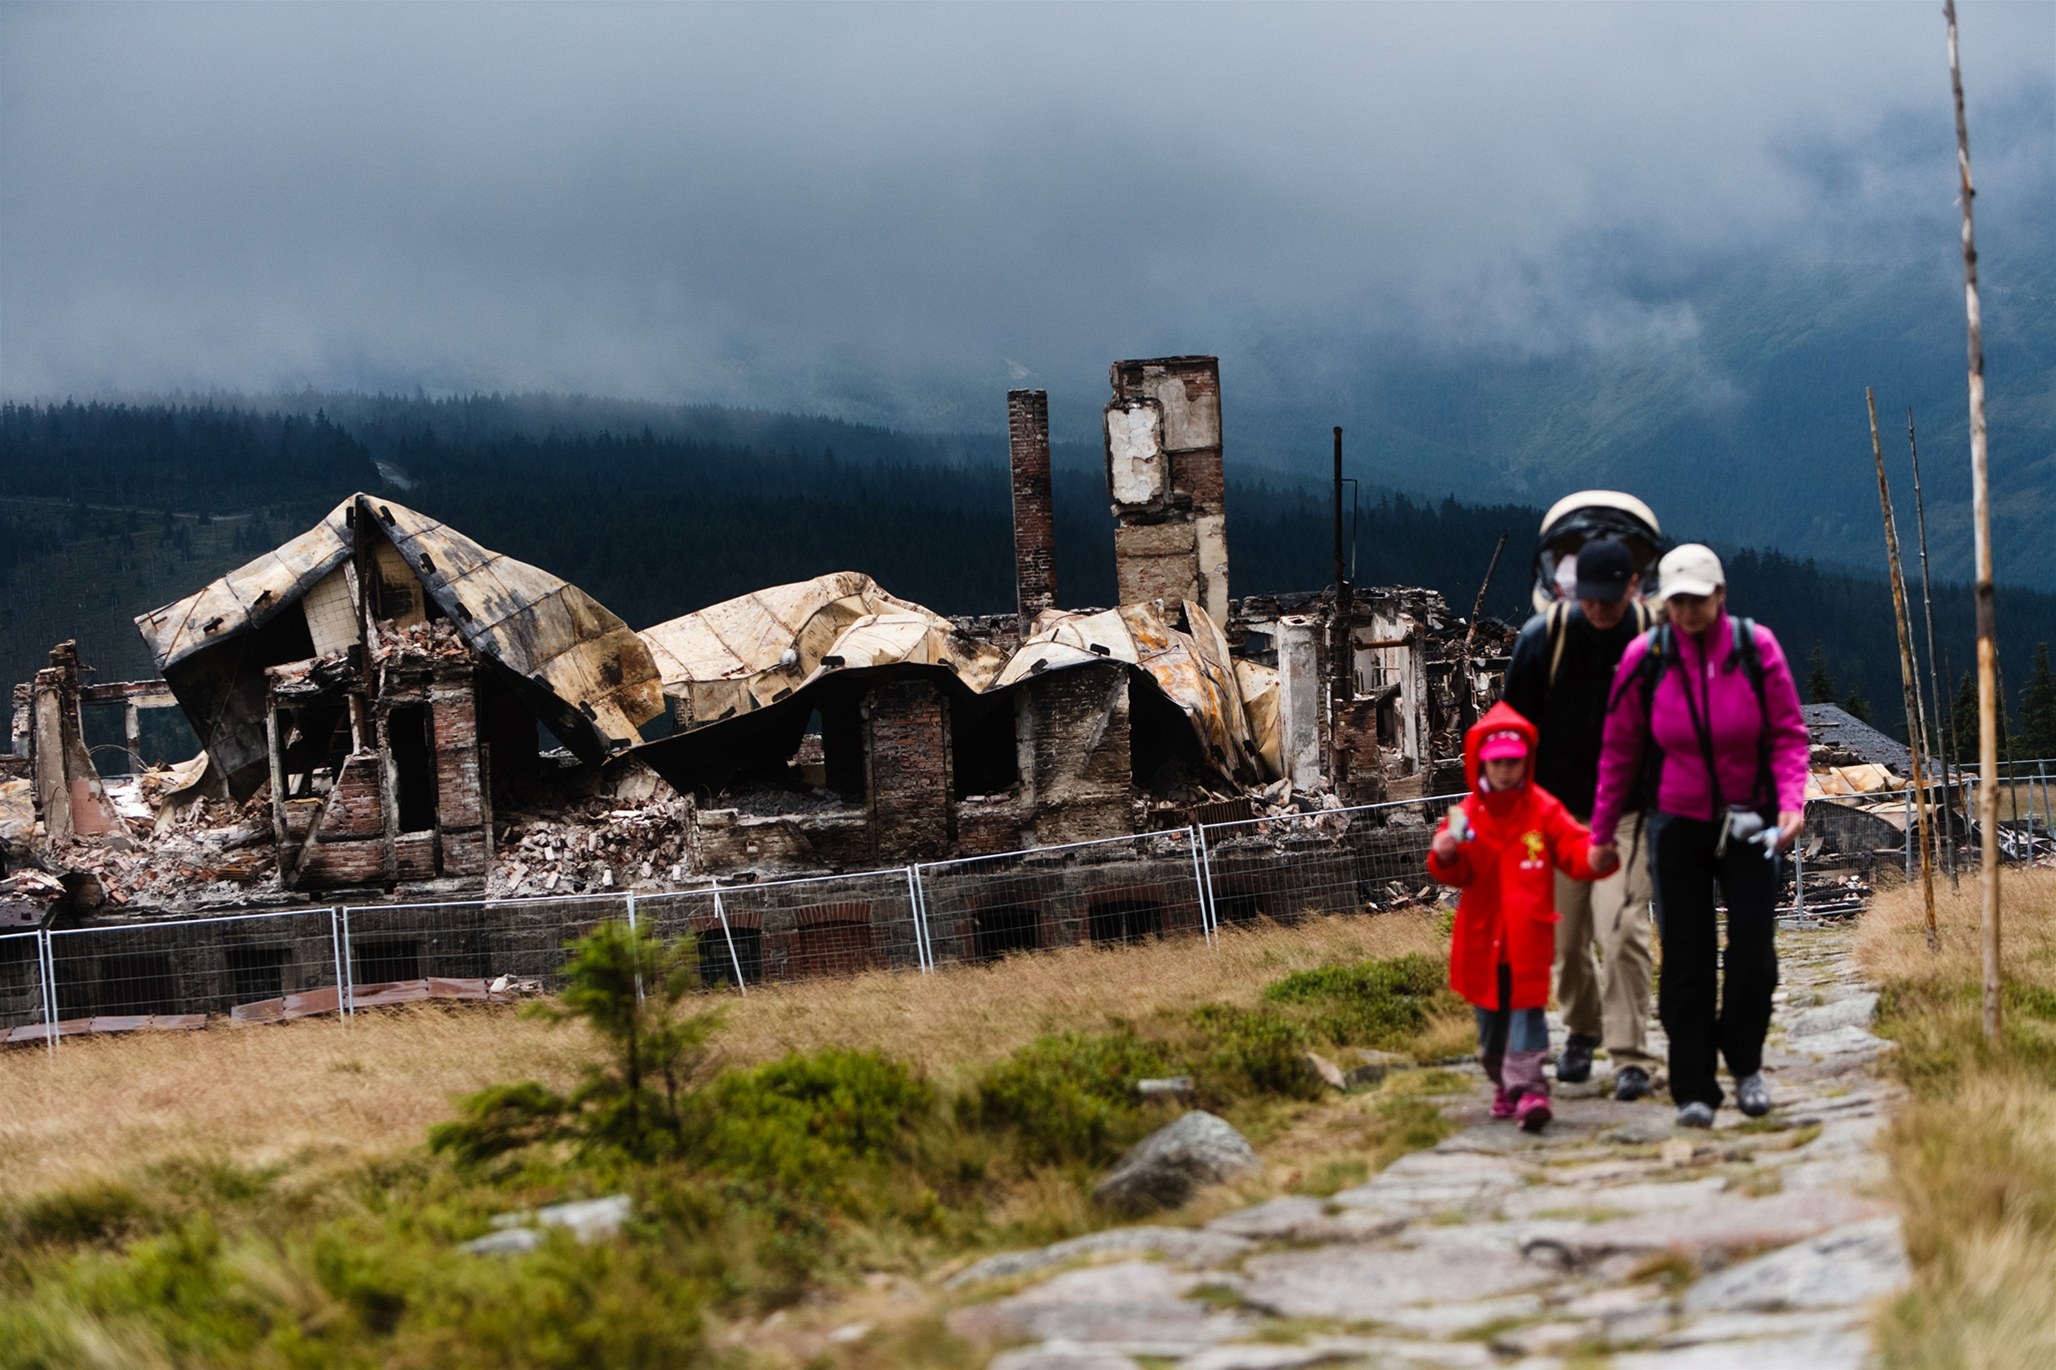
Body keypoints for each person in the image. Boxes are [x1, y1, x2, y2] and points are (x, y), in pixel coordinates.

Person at [1588, 545, 1809, 1128]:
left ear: (1721, 596)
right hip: (1676, 821)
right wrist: (1603, 831)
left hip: (1751, 821)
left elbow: (1788, 734)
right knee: (1687, 957)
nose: (1687, 611)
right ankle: (1693, 1087)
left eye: (1697, 599)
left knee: (1754, 953)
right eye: (1677, 600)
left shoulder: (1755, 648)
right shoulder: (1646, 658)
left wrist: (1791, 804)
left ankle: (1746, 1064)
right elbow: (1619, 751)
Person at [1501, 537, 1660, 1101]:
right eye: (1589, 596)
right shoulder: (1543, 640)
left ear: (1632, 588)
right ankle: (1583, 1028)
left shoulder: (1653, 639)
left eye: (1609, 597)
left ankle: (1630, 1055)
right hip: (1555, 813)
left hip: (1629, 812)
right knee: (1566, 940)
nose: (1598, 607)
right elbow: (1509, 728)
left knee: (1622, 931)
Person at [1429, 702, 1615, 1133]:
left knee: (1527, 1015)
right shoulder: (1463, 815)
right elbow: (1455, 872)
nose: (1505, 770)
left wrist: (1595, 856)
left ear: (1525, 761)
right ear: (1482, 764)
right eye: (1497, 763)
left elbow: (1573, 848)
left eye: (1513, 762)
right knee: (1490, 1025)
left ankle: (1530, 1090)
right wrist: (1445, 855)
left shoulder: (1544, 809)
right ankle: (1503, 1083)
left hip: (1527, 939)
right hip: (1482, 941)